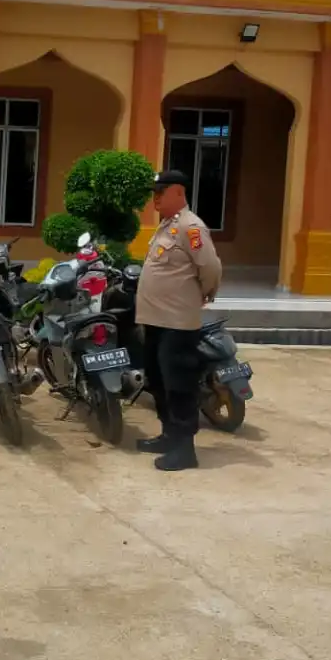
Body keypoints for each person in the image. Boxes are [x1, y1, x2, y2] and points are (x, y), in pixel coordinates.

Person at [134, 170, 223, 472]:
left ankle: (185, 449)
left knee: (179, 384)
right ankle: (168, 435)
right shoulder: (165, 227)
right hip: (156, 319)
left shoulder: (191, 227)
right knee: (157, 380)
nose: (155, 197)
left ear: (178, 193)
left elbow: (209, 266)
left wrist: (207, 291)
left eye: (161, 191)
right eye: (153, 192)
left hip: (178, 321)